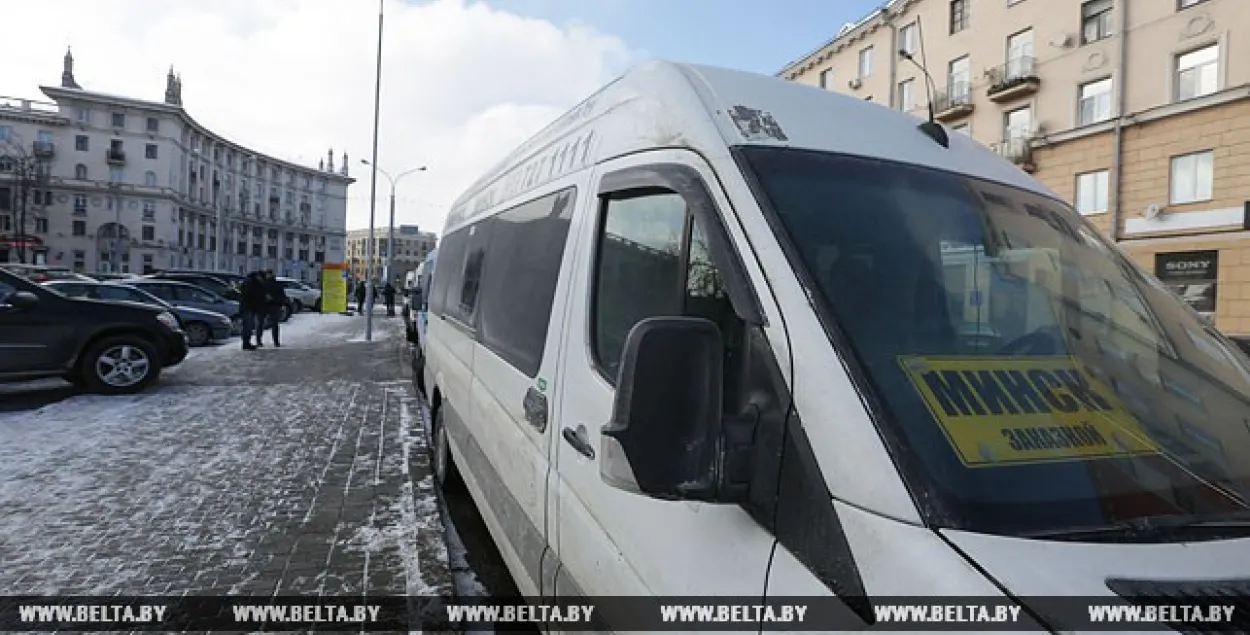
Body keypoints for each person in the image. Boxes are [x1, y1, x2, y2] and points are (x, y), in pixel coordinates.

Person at [238, 271, 269, 350]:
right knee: (247, 326)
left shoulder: (251, 282)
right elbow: (252, 295)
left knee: (248, 326)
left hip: (249, 307)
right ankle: (246, 343)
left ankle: (246, 343)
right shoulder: (250, 283)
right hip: (248, 307)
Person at [262, 270, 287, 347]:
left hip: (269, 306)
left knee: (270, 324)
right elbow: (282, 296)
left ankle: (274, 341)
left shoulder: (264, 284)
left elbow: (282, 295)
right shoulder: (274, 284)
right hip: (272, 306)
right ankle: (275, 342)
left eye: (269, 274)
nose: (268, 276)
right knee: (273, 324)